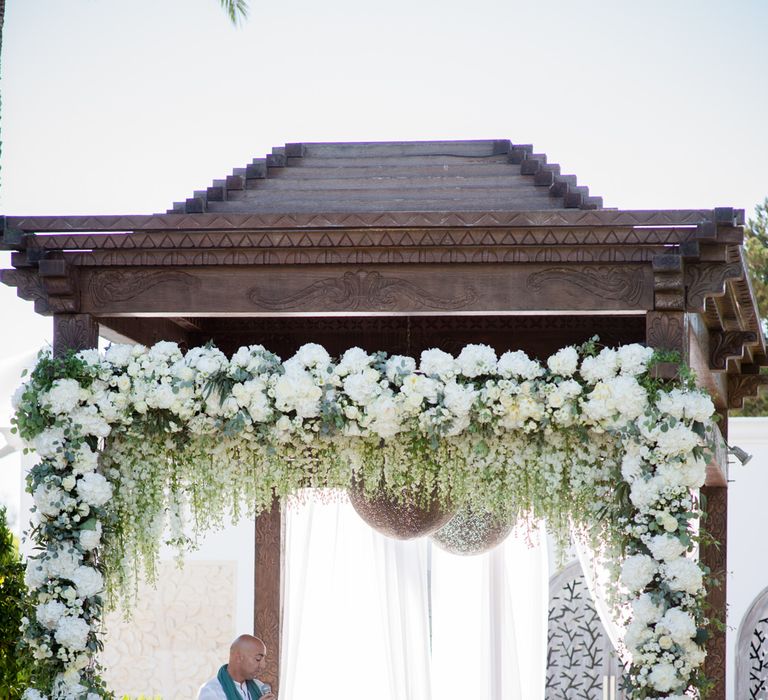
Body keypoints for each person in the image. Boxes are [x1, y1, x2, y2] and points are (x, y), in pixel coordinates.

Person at [198, 634, 278, 700]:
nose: (263, 665)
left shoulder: (259, 686)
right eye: (258, 659)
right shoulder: (211, 691)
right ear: (239, 657)